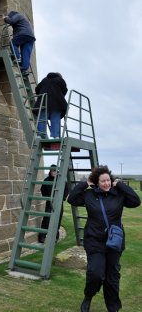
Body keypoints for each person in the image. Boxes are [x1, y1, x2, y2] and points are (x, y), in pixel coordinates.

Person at [67, 165, 141, 312]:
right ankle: (88, 296)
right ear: (97, 182)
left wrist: (119, 184)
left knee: (112, 276)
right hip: (94, 241)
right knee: (95, 272)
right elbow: (72, 199)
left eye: (108, 180)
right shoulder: (89, 195)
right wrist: (85, 183)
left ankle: (113, 307)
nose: (106, 183)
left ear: (111, 180)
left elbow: (136, 200)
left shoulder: (118, 194)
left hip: (114, 242)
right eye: (103, 181)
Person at [38, 164, 69, 243]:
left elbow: (66, 190)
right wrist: (48, 198)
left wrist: (63, 198)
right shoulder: (46, 180)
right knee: (46, 220)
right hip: (50, 203)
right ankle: (42, 236)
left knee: (57, 220)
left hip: (59, 203)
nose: (54, 172)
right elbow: (43, 190)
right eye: (52, 171)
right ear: (50, 171)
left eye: (55, 171)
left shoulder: (61, 180)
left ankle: (55, 236)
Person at [33, 72, 68, 138]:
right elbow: (64, 90)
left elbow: (37, 89)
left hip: (43, 101)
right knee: (55, 118)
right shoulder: (60, 80)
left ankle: (40, 135)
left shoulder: (44, 79)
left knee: (42, 118)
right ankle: (55, 136)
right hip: (56, 103)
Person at [3, 11, 36, 76]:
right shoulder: (24, 19)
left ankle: (17, 57)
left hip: (23, 33)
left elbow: (11, 21)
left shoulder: (17, 15)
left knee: (13, 43)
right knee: (25, 53)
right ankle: (24, 70)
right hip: (30, 37)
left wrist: (5, 18)